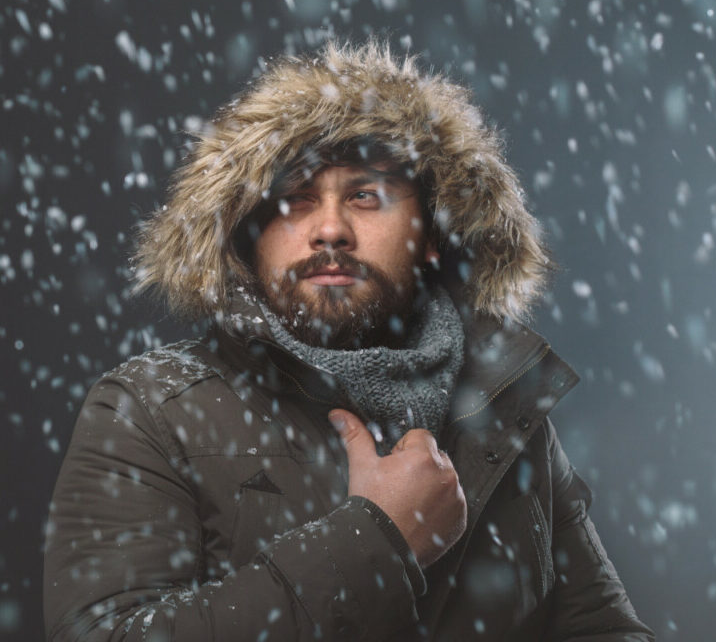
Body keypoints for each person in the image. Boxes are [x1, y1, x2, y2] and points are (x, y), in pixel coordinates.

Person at [43, 40, 654, 641]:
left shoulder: (504, 407)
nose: (330, 229)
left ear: (431, 233)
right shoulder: (148, 411)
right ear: (248, 239)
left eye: (366, 195)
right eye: (294, 199)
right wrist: (377, 540)